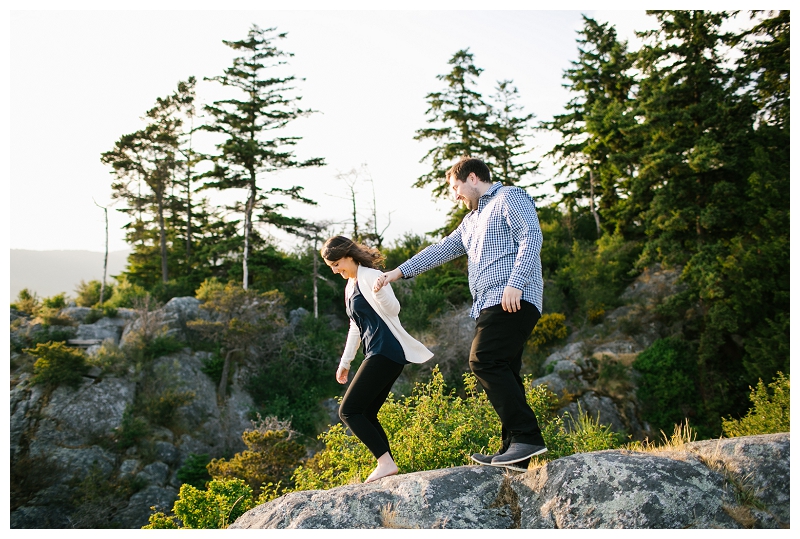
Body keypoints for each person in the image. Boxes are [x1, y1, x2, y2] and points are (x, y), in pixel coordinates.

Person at [374, 157, 547, 472]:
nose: (456, 196)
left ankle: (526, 437)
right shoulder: (471, 222)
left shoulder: (510, 197)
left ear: (472, 178)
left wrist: (515, 282)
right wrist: (396, 273)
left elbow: (531, 237)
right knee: (505, 369)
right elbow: (440, 250)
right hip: (489, 304)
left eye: (456, 188)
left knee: (484, 360)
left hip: (510, 297)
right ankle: (516, 452)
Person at [321, 235, 434, 483]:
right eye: (331, 267)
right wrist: (345, 362)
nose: (335, 270)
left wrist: (380, 292)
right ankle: (388, 467)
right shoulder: (350, 286)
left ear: (349, 256)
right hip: (377, 352)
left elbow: (394, 310)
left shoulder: (371, 276)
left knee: (349, 411)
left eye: (337, 263)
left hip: (387, 350)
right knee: (367, 412)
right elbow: (355, 326)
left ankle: (385, 463)